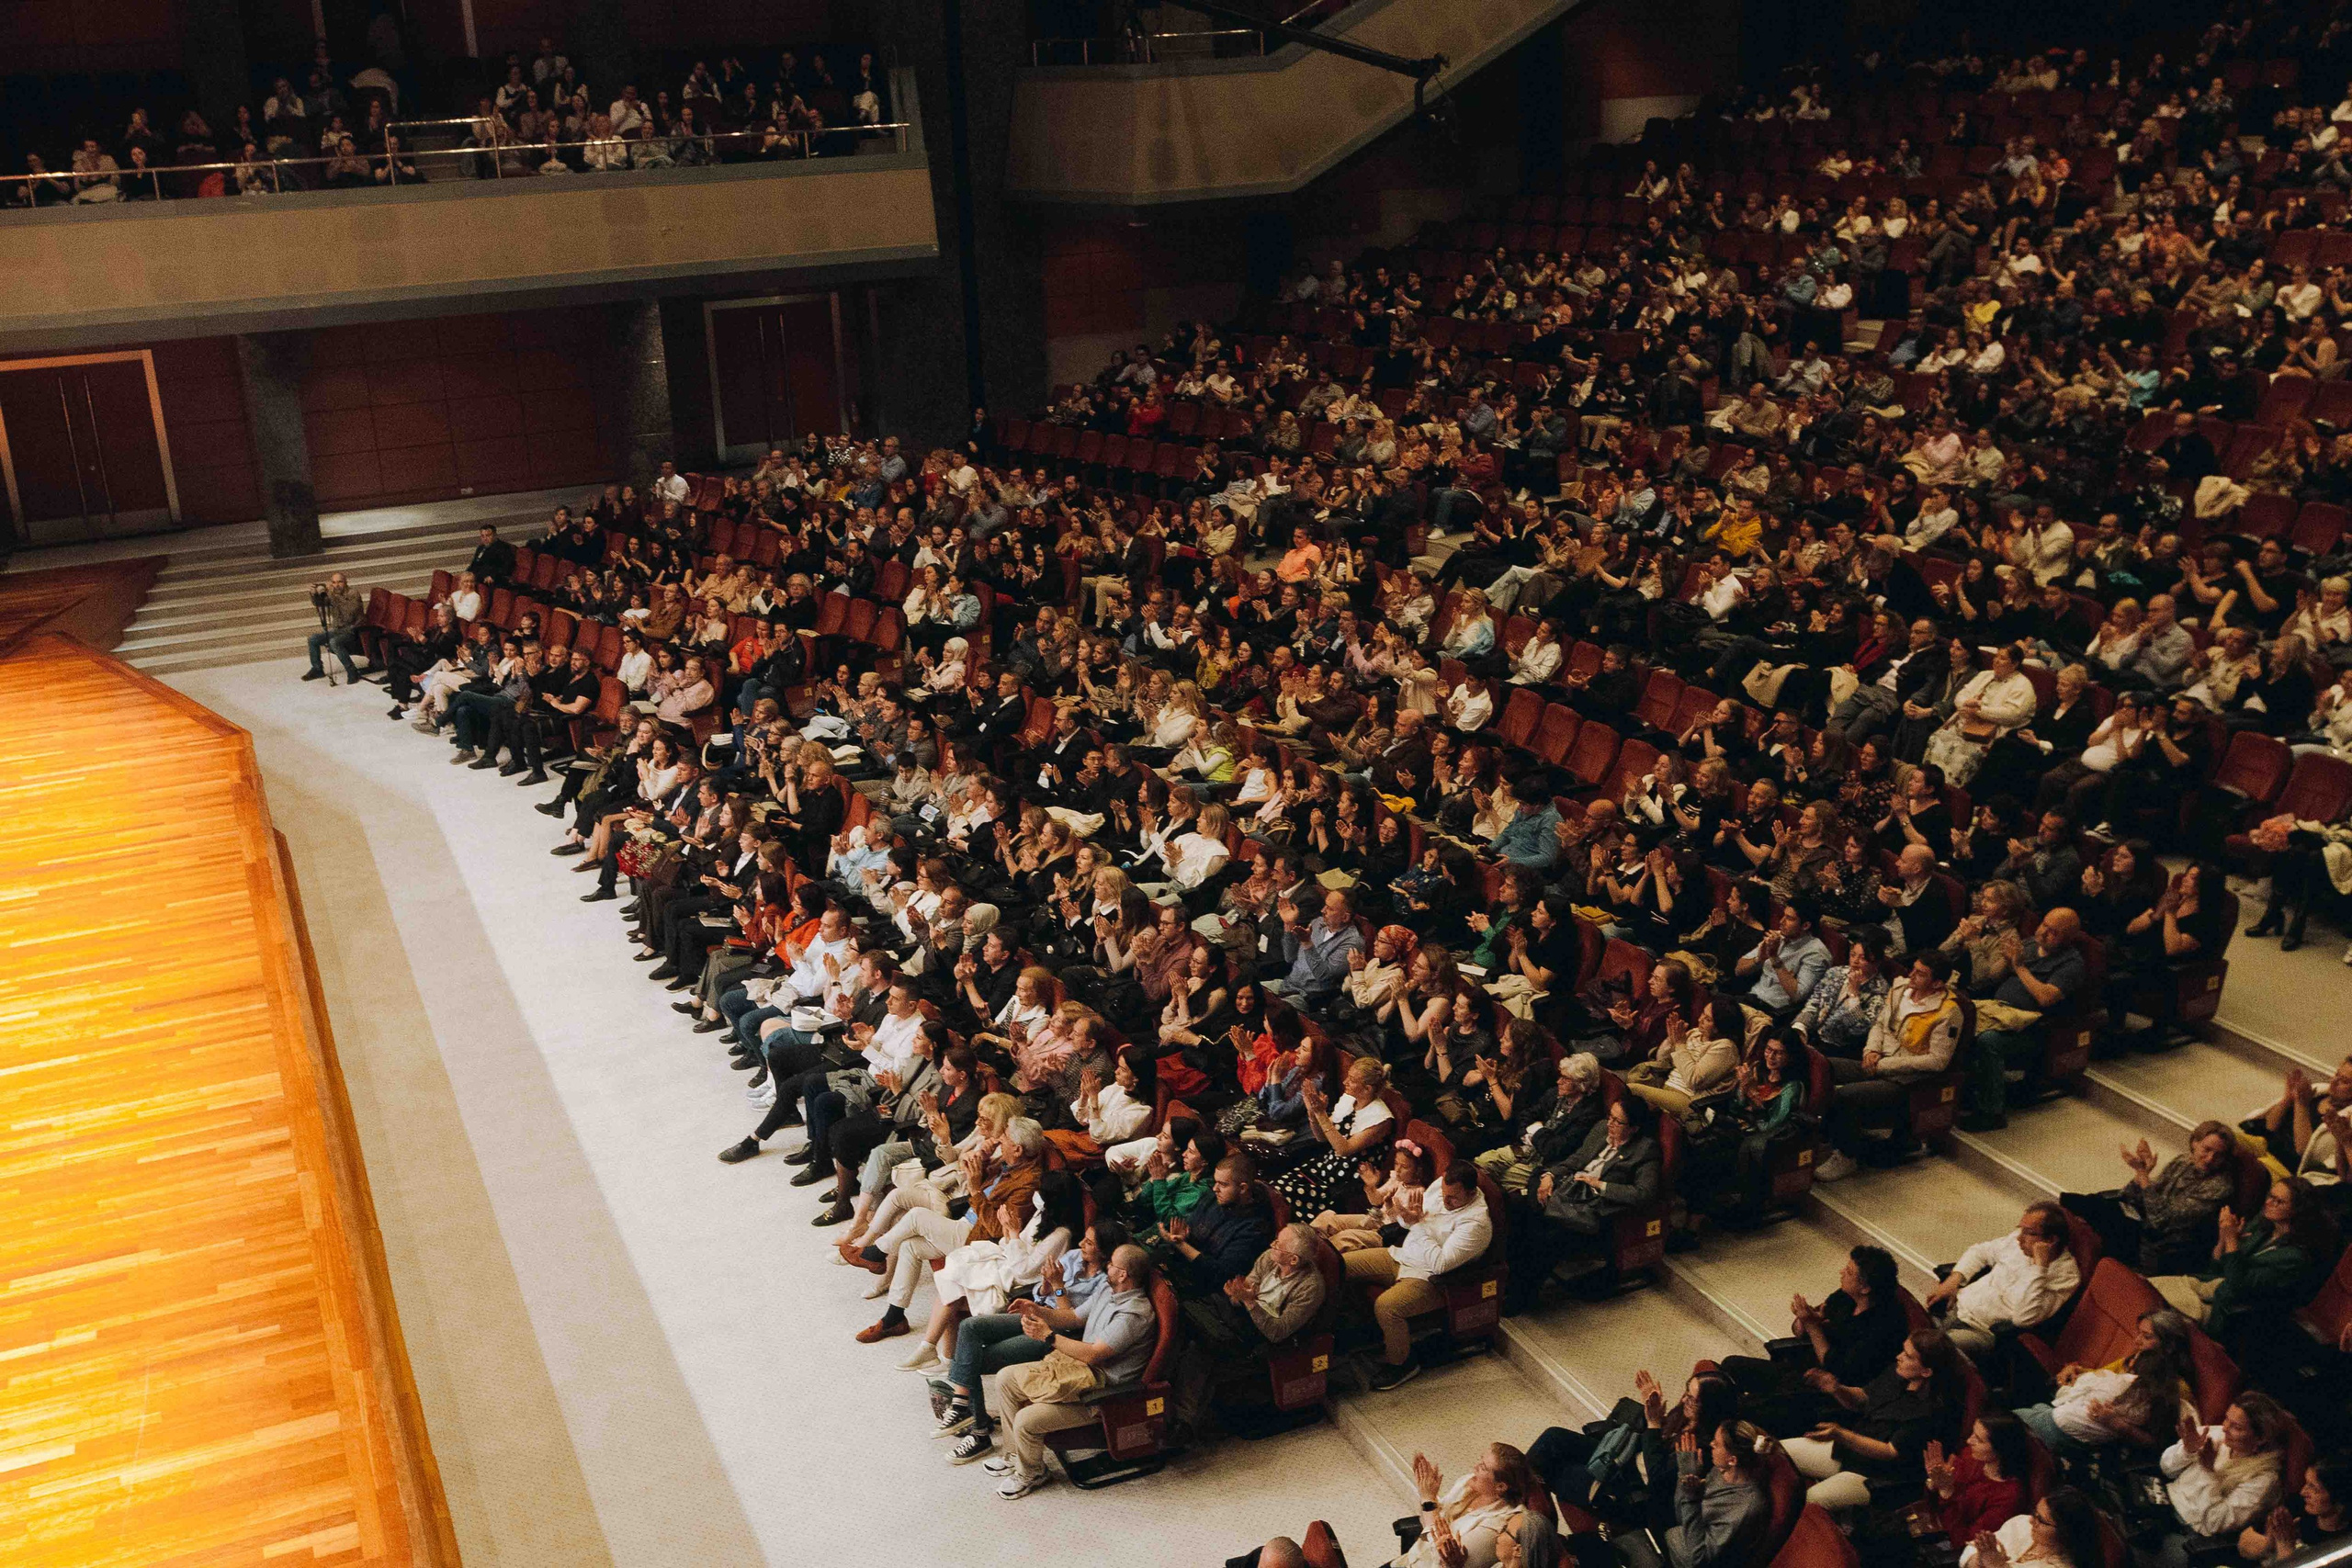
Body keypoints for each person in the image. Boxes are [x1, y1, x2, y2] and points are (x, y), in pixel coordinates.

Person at [983, 1243, 1162, 1499]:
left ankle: (1032, 1473)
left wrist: (1048, 1336)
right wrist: (1037, 1310)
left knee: (1026, 1420)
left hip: (1101, 1392)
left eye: (1112, 1264)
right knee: (1005, 1378)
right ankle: (1014, 1456)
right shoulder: (1107, 1289)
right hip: (1078, 1368)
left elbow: (1093, 1354)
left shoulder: (1134, 1314)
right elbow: (1074, 1317)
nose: (1107, 1266)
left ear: (1123, 1274)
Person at [1718, 1246, 1910, 1434]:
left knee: (1746, 1408)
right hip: (1802, 1368)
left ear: (1865, 1288)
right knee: (1731, 1366)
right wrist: (1805, 1319)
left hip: (1828, 1391)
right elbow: (1799, 1331)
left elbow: (1836, 1368)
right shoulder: (1845, 1297)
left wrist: (1812, 1325)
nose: (1842, 1272)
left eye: (1849, 1272)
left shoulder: (1885, 1326)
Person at [1505, 1095, 1663, 1314]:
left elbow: (1644, 1194)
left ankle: (1523, 1296)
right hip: (1569, 1194)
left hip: (1593, 1211)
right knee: (1518, 1214)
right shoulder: (1601, 1129)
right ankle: (1512, 1280)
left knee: (1546, 1239)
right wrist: (1551, 1175)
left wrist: (1600, 1184)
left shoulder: (1645, 1151)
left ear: (1634, 1128)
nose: (1610, 1124)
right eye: (1610, 1117)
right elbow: (1578, 1159)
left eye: (1617, 1122)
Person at [1169, 1220, 1328, 1438]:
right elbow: (1240, 1295)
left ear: (1294, 1259)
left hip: (1263, 1338)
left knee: (1200, 1349)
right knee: (1190, 1330)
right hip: (1240, 1317)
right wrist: (1237, 1296)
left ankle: (1182, 1421)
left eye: (1278, 1244)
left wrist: (1250, 1302)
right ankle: (1181, 1417)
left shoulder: (1311, 1288)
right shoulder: (1269, 1258)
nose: (1272, 1245)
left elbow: (1277, 1332)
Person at [1780, 1327, 1967, 1510]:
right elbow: (1863, 1398)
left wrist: (1841, 1434)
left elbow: (1890, 1451)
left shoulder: (1932, 1412)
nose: (1899, 1356)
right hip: (1852, 1452)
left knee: (1812, 1500)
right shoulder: (1899, 1373)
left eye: (1908, 1356)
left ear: (1926, 1372)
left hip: (1879, 1476)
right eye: (1903, 1350)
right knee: (1777, 1452)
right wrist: (1837, 1389)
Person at [1348, 1158, 1495, 1391]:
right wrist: (1405, 1217)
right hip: (1403, 1255)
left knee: (1387, 1306)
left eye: (1453, 1198)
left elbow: (1440, 1264)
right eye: (1444, 1194)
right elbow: (1413, 1222)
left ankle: (1402, 1364)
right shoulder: (1441, 1187)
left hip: (1430, 1278)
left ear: (1470, 1193)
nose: (1445, 1201)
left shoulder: (1476, 1224)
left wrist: (1417, 1224)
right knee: (1343, 1265)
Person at [2062, 1122, 2236, 1274]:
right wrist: (2142, 1172)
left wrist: (2143, 1175)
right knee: (2084, 1202)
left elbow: (2160, 1220)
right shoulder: (2183, 1161)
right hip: (2145, 1221)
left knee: (2095, 1213)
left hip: (2164, 1244)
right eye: (2207, 1149)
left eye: (2219, 1155)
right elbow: (2129, 1196)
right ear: (2195, 1143)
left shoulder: (2220, 1187)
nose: (2210, 1159)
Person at [1919, 1201, 2083, 1359]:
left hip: (1980, 1331)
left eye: (2029, 1232)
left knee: (1927, 1351)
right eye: (2021, 1229)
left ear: (2051, 1240)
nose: (2019, 1238)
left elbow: (2023, 1318)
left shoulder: (2066, 1276)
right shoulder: (2016, 1242)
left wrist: (2040, 1268)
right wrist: (1953, 1280)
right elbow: (1980, 1251)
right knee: (1911, 1326)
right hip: (1956, 1307)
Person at [1397, 1444, 1541, 1568]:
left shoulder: (1500, 1523)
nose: (1475, 1467)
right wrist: (1426, 1491)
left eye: (1483, 1467)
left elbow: (1442, 1558)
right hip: (1410, 1560)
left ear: (1500, 1486)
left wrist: (1428, 1500)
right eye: (1480, 1460)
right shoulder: (1468, 1484)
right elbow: (1426, 1522)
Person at [303, 571, 366, 682]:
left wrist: (332, 595)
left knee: (334, 642)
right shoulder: (333, 594)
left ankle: (352, 671)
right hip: (338, 629)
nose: (336, 585)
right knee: (313, 639)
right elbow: (320, 603)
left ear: (346, 582)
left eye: (340, 582)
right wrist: (314, 595)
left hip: (353, 629)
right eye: (334, 582)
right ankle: (317, 669)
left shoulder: (353, 593)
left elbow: (349, 615)